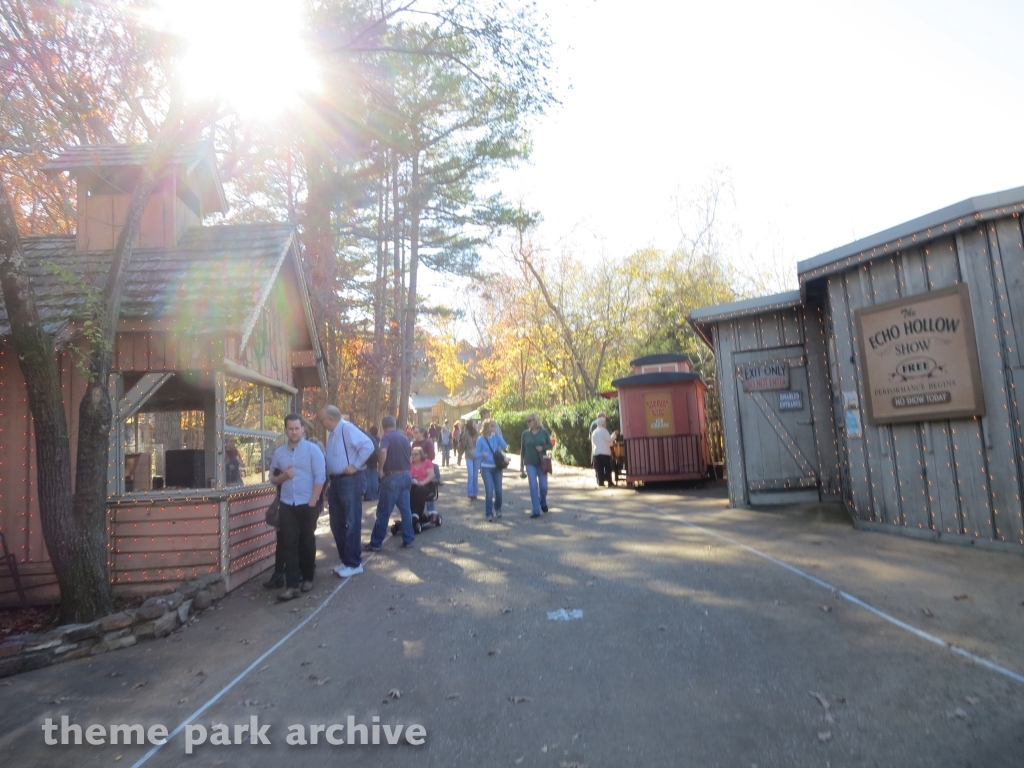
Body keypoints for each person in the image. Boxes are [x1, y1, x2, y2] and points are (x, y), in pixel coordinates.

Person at [269, 414, 326, 600]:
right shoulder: (279, 453)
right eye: (290, 429)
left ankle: (308, 576)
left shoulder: (312, 450)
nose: (293, 432)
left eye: (296, 428)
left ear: (302, 429)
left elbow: (320, 477)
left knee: (307, 541)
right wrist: (284, 477)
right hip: (287, 504)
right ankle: (292, 586)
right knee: (289, 543)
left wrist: (313, 503)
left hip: (307, 503)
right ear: (286, 430)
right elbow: (272, 479)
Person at [319, 405, 374, 578]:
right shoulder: (334, 433)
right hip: (336, 481)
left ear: (331, 419)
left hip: (350, 480)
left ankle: (354, 563)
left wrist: (355, 465)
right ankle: (346, 560)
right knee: (336, 523)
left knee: (351, 521)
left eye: (323, 420)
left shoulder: (347, 429)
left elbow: (368, 445)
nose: (322, 423)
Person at [366, 415, 415, 549]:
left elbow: (383, 451)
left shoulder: (386, 438)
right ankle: (408, 539)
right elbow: (410, 457)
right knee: (406, 510)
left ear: (383, 426)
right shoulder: (405, 438)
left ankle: (376, 542)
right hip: (406, 475)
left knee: (383, 511)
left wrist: (380, 469)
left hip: (392, 476)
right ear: (395, 424)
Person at [475, 419, 508, 521]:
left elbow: (504, 446)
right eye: (492, 426)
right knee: (489, 491)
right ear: (486, 427)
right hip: (486, 468)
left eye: (495, 426)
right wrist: (482, 454)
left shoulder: (496, 437)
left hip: (497, 467)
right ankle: (489, 512)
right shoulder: (480, 439)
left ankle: (498, 508)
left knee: (498, 491)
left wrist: (497, 434)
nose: (494, 428)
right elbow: (476, 453)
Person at [520, 413, 552, 518]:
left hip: (541, 462)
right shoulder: (525, 434)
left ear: (536, 421)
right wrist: (521, 465)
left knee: (544, 487)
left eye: (530, 421)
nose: (528, 423)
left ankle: (542, 501)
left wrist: (542, 448)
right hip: (529, 462)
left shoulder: (544, 432)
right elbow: (522, 450)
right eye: (527, 421)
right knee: (533, 486)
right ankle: (536, 510)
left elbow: (550, 445)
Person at [412, 426, 438, 516]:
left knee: (425, 490)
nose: (413, 434)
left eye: (416, 432)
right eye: (413, 432)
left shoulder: (428, 443)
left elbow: (432, 456)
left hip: (426, 467)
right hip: (416, 468)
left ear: (422, 433)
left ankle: (431, 511)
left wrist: (422, 458)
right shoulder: (414, 443)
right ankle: (415, 513)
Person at [409, 446, 439, 525]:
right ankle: (411, 514)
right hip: (414, 485)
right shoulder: (410, 464)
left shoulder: (427, 462)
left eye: (416, 454)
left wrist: (423, 482)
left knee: (419, 490)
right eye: (412, 454)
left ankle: (416, 514)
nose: (414, 456)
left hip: (427, 485)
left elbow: (431, 475)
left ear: (421, 455)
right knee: (409, 490)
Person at [591, 414, 613, 487]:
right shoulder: (604, 431)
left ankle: (601, 482)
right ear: (602, 423)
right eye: (605, 423)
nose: (605, 424)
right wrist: (614, 435)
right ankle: (609, 481)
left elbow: (593, 442)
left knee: (599, 468)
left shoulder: (594, 432)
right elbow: (609, 439)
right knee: (607, 467)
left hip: (596, 452)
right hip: (605, 452)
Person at [461, 420, 480, 499]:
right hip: (469, 455)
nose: (476, 424)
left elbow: (481, 443)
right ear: (470, 425)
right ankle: (470, 492)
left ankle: (475, 492)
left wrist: (477, 432)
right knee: (471, 474)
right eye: (474, 423)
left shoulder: (478, 433)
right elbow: (463, 444)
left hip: (477, 456)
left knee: (475, 475)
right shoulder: (465, 434)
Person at [363, 425, 381, 501]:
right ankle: (376, 495)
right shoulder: (378, 439)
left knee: (367, 478)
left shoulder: (367, 438)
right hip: (375, 459)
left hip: (367, 459)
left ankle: (368, 495)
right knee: (374, 478)